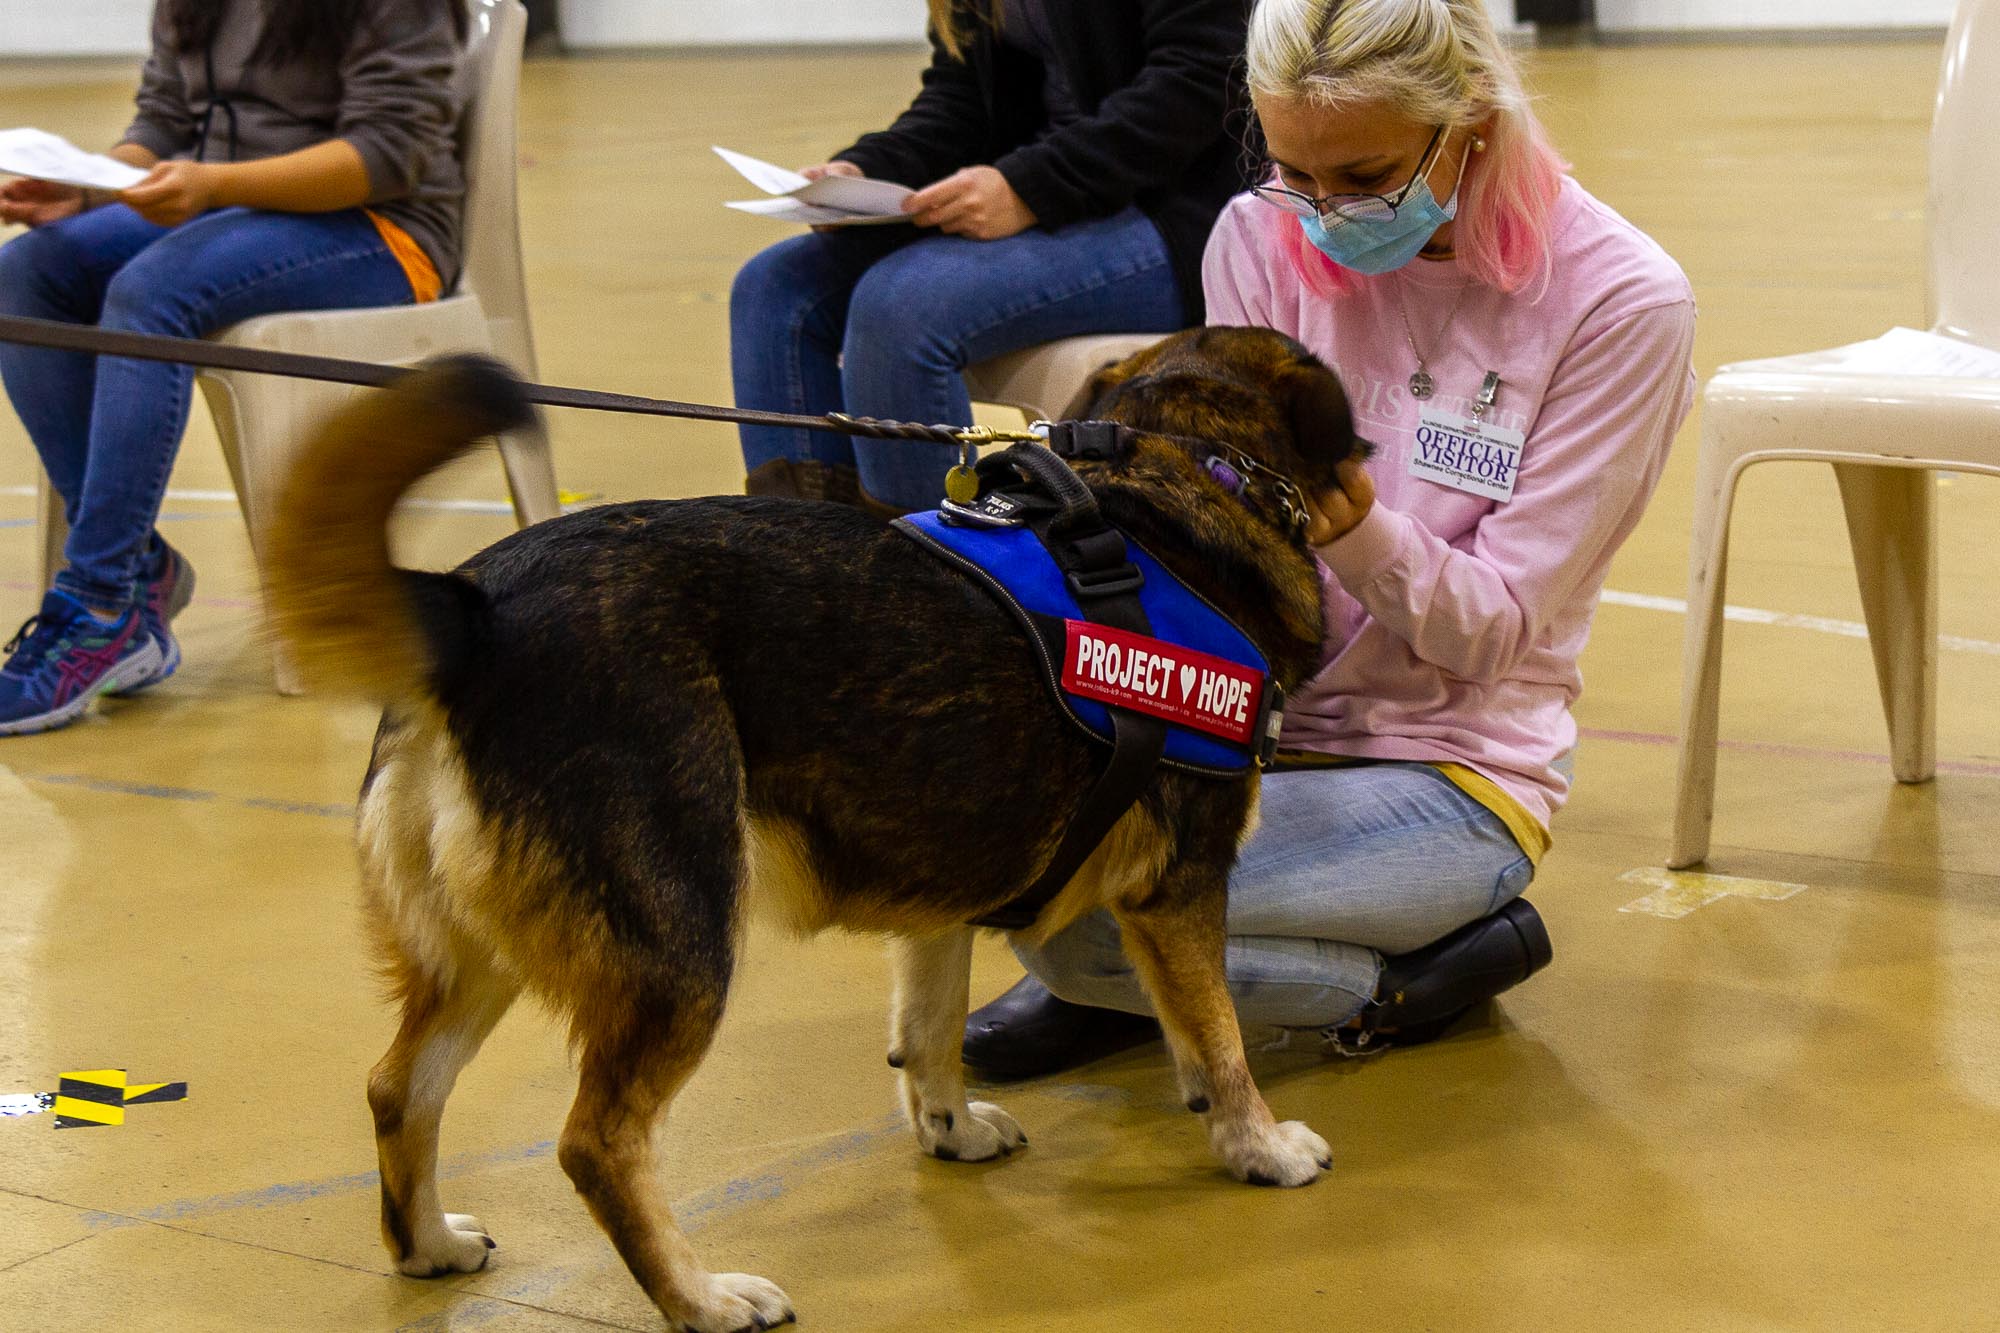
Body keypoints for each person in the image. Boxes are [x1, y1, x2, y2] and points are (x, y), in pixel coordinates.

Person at [964, 0, 1697, 1077]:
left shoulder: (1620, 300)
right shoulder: (1254, 235)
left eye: (1362, 178)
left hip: (1445, 766)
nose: (1318, 215)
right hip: (1239, 724)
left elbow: (1493, 632)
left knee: (1085, 923)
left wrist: (1352, 526)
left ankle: (1424, 966)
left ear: (1474, 126)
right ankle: (1158, 957)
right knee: (1009, 871)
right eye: (1289, 171)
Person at [0, 0, 468, 735]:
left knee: (150, 291)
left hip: (380, 228)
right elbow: (163, 121)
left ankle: (97, 603)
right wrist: (89, 189)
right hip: (221, 215)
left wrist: (214, 186)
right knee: (28, 273)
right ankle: (138, 570)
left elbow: (387, 155)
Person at [729, 0, 1252, 516]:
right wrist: (865, 170)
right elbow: (963, 101)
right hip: (1055, 189)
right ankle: (808, 568)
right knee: (774, 288)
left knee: (904, 307)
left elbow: (1201, 80)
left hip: (1179, 216)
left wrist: (1031, 187)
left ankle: (931, 585)